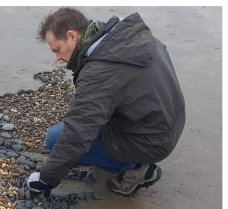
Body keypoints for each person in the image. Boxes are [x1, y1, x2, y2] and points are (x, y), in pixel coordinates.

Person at [26, 9, 185, 197]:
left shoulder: (100, 71)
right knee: (85, 118)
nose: (58, 58)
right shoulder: (130, 38)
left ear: (72, 36)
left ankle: (138, 169)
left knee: (55, 137)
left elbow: (77, 133)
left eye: (57, 50)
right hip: (170, 123)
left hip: (150, 141)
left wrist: (46, 179)